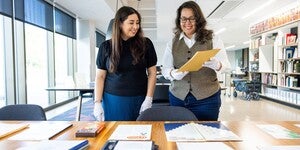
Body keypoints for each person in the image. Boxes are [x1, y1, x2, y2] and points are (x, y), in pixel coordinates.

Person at [162, 1, 231, 121]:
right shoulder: (172, 43)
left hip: (207, 100)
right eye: (183, 19)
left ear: (198, 20)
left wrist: (217, 64)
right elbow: (165, 69)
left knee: (207, 132)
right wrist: (173, 74)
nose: (187, 23)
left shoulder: (213, 39)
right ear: (179, 21)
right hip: (178, 98)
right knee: (180, 133)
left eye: (191, 18)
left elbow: (227, 66)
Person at [93, 6, 157, 121]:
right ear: (120, 24)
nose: (136, 27)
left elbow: (152, 73)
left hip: (140, 97)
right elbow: (100, 76)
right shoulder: (106, 46)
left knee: (140, 134)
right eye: (131, 23)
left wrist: (149, 98)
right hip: (113, 99)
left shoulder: (146, 44)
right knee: (114, 134)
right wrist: (97, 102)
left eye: (138, 23)